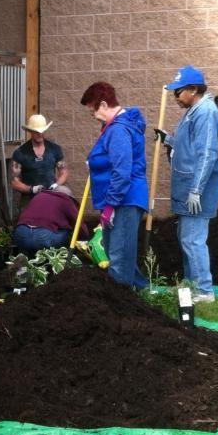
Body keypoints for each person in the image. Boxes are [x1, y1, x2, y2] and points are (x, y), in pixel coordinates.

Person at [161, 65, 218, 303]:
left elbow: (207, 153)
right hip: (187, 188)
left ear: (192, 89)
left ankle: (204, 290)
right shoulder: (193, 111)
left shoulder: (206, 112)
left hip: (197, 190)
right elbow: (188, 144)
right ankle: (191, 285)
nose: (175, 97)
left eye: (177, 92)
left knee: (193, 239)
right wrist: (168, 139)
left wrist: (197, 190)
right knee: (185, 237)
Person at [80, 81, 149, 288]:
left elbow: (122, 171)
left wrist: (110, 205)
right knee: (117, 250)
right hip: (120, 200)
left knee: (118, 256)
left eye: (92, 111)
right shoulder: (113, 127)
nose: (92, 116)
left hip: (124, 201)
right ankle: (141, 290)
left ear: (103, 105)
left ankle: (122, 309)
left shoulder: (118, 130)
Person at [12, 175, 85, 254]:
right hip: (43, 238)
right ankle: (53, 254)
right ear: (69, 196)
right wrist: (83, 240)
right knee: (66, 229)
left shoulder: (38, 196)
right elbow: (78, 224)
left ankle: (27, 252)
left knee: (31, 241)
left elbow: (22, 216)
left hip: (20, 235)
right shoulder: (66, 200)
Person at [11, 114, 65, 204]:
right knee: (27, 216)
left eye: (42, 131)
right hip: (29, 198)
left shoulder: (55, 149)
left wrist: (56, 185)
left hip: (51, 194)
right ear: (30, 131)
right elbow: (14, 183)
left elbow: (64, 172)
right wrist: (31, 189)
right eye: (36, 131)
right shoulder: (20, 153)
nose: (40, 134)